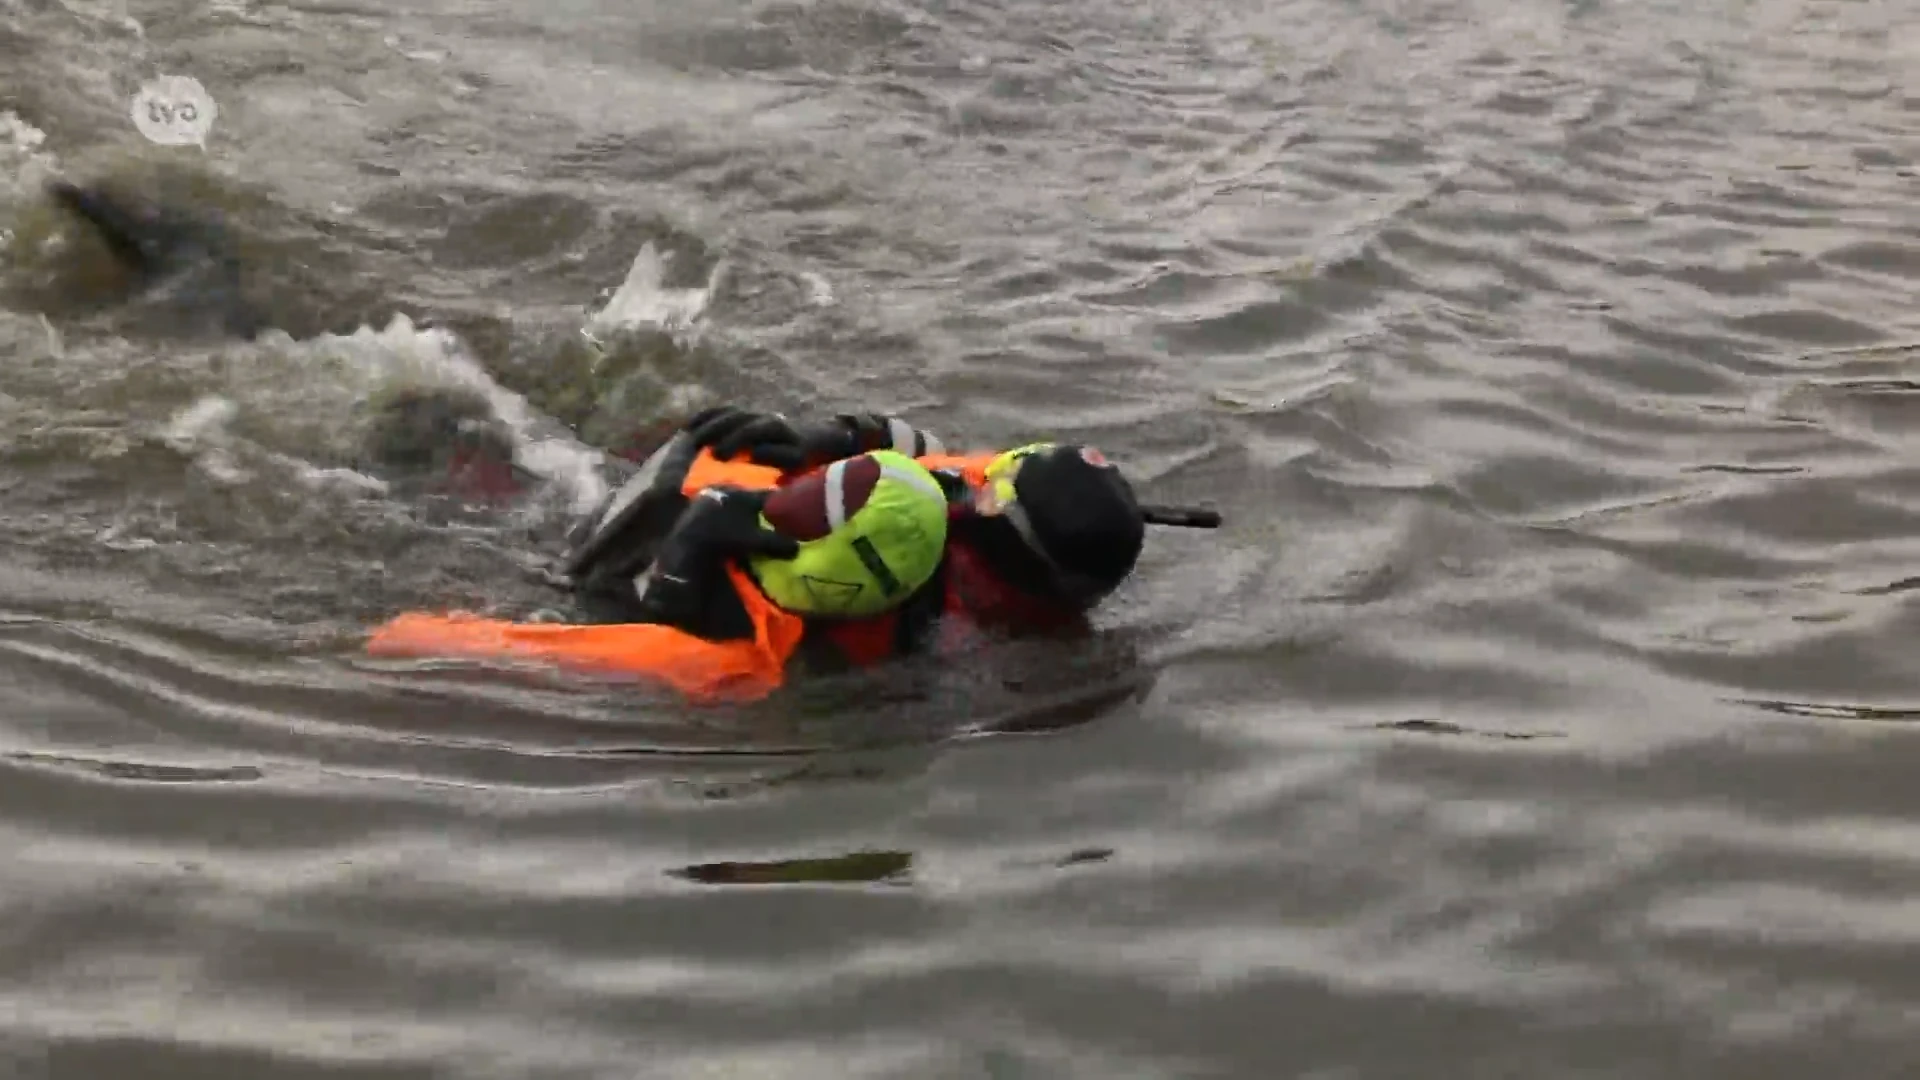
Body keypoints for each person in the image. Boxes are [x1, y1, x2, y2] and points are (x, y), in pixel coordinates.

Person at [559, 405, 1220, 671]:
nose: (950, 504)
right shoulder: (970, 490)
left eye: (972, 513)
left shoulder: (955, 653)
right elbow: (935, 456)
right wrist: (836, 437)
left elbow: (669, 670)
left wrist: (679, 576)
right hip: (614, 500)